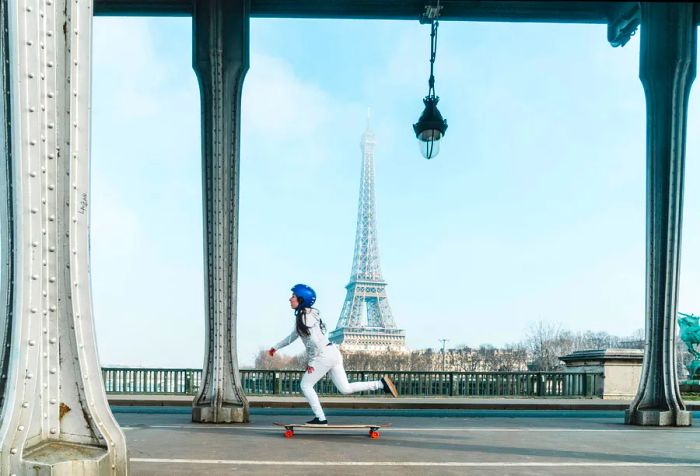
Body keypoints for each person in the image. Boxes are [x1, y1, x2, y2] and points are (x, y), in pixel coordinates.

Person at [268, 283, 398, 425]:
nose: (290, 299)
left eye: (293, 296)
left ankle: (320, 418)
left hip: (323, 355)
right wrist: (276, 347)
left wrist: (311, 363)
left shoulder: (305, 318)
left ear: (301, 299)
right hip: (333, 352)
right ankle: (380, 384)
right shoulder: (309, 315)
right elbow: (292, 336)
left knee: (305, 385)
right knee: (345, 388)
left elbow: (314, 342)